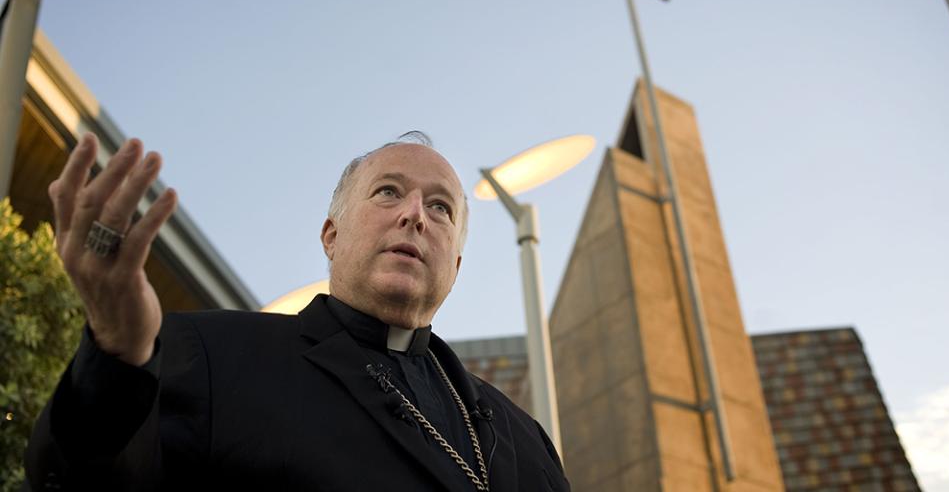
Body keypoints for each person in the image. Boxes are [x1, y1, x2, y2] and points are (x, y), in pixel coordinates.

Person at [24, 132, 569, 491]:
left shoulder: (528, 440)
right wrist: (117, 356)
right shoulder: (213, 358)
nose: (414, 216)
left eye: (440, 207)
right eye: (387, 192)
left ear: (455, 263)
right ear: (331, 236)